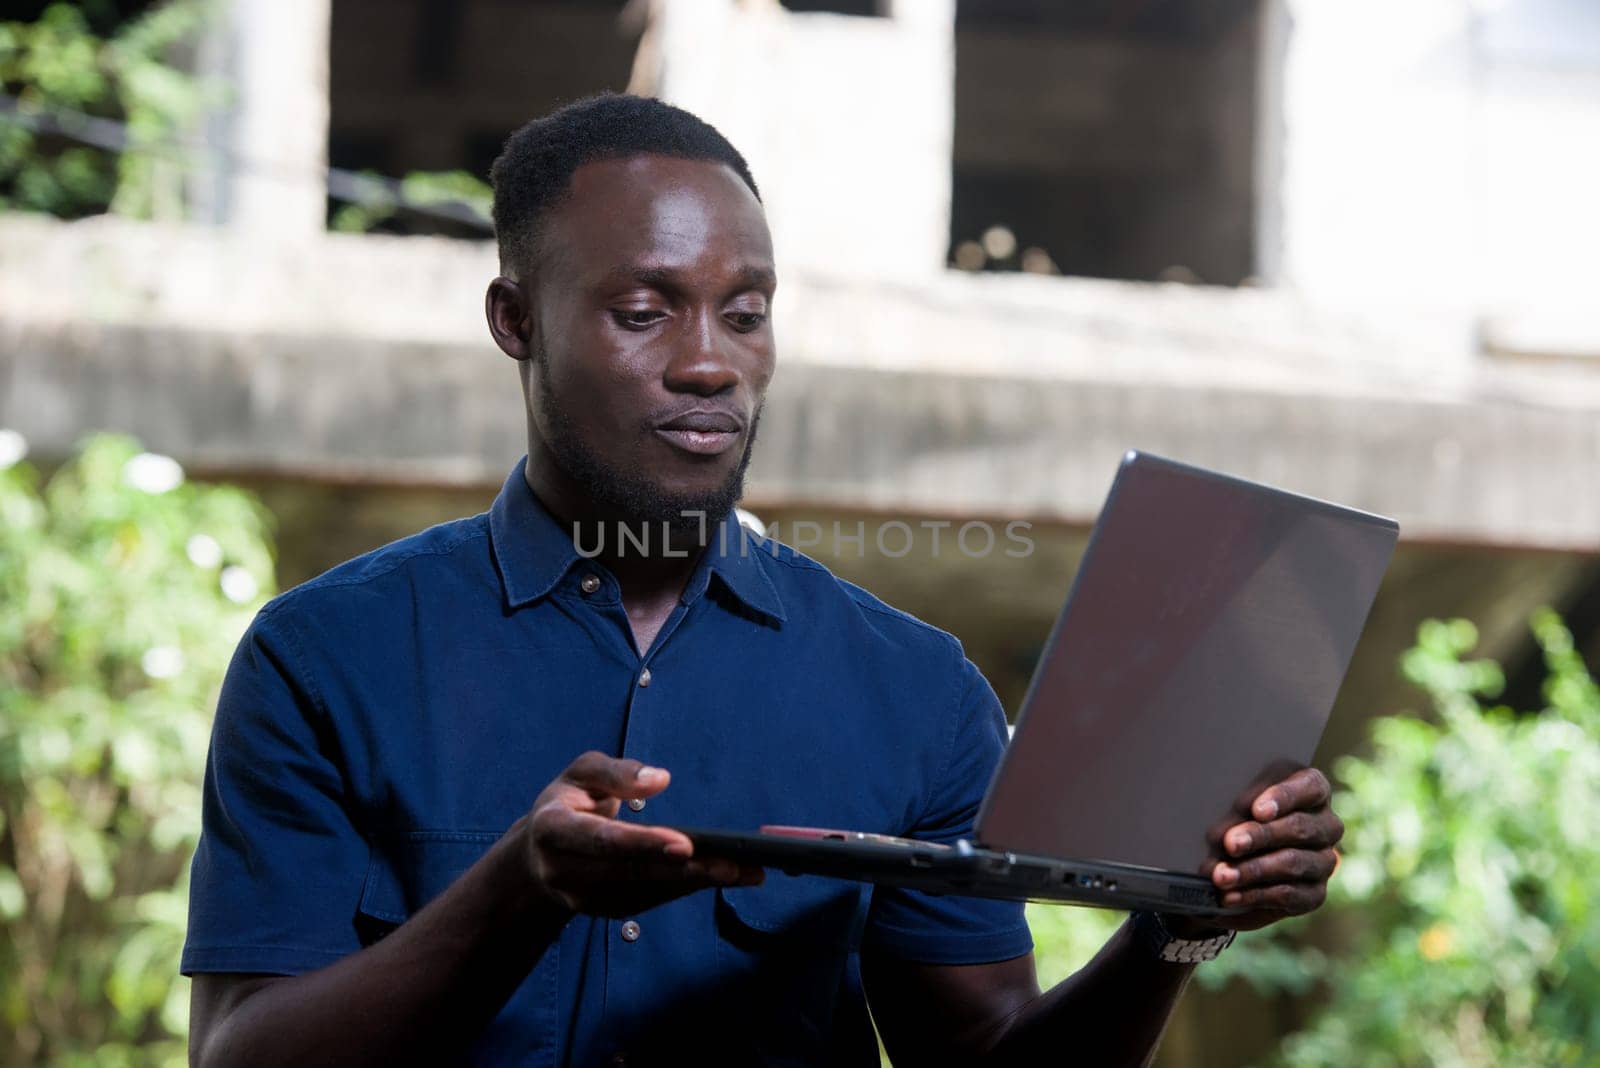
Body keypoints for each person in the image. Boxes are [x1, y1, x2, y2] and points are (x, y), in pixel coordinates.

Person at [183, 94, 1343, 1067]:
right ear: (516, 321)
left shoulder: (917, 693)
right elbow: (239, 1052)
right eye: (644, 312)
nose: (709, 363)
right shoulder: (325, 657)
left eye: (746, 315)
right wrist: (516, 894)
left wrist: (1178, 929)